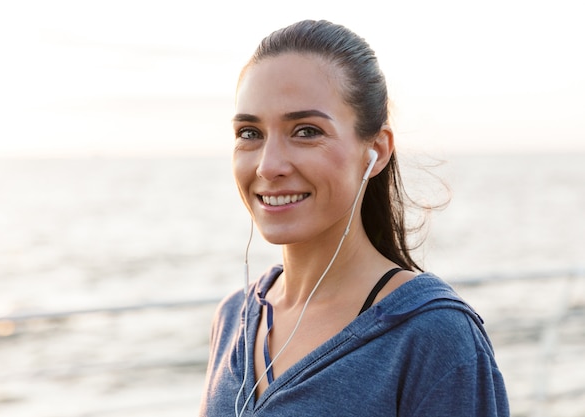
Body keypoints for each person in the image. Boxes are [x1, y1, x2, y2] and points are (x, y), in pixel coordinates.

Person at [199, 19, 509, 417]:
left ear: (376, 150)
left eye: (306, 131)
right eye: (249, 133)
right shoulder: (234, 318)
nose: (268, 165)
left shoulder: (434, 336)